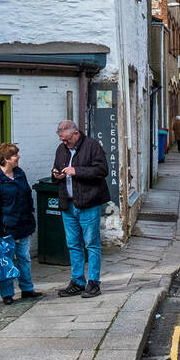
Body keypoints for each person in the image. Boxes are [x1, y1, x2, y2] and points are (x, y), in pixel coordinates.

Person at [52, 119, 110, 298]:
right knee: (73, 245)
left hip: (88, 203)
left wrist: (77, 171)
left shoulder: (92, 146)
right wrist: (56, 174)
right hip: (67, 204)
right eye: (62, 140)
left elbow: (102, 170)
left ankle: (94, 283)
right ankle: (77, 281)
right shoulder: (61, 150)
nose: (64, 143)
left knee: (91, 244)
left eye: (66, 139)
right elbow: (56, 171)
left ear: (76, 133)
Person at [0, 143, 42, 306]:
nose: (18, 157)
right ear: (6, 159)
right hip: (5, 228)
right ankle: (7, 293)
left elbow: (27, 195)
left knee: (24, 258)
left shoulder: (19, 174)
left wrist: (30, 213)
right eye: (15, 155)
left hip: (23, 224)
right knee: (6, 262)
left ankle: (27, 288)